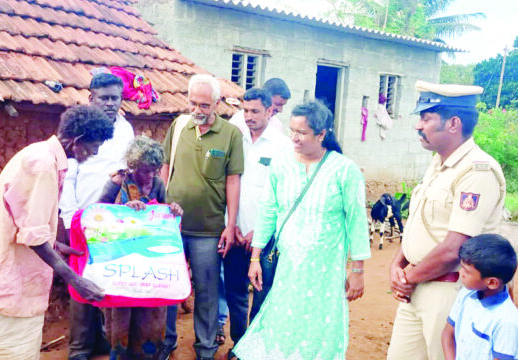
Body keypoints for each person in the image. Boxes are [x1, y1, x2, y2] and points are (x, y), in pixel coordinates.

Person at [0, 105, 114, 360]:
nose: (95, 153)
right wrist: (76, 280)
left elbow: (23, 220)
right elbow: (33, 236)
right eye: (94, 146)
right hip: (6, 282)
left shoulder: (41, 155)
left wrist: (58, 245)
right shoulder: (42, 165)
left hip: (7, 277)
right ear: (77, 141)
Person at [233, 101, 370, 360]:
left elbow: (356, 221)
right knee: (282, 322)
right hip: (288, 268)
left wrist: (358, 270)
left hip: (326, 273)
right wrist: (255, 258)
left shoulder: (344, 170)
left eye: (302, 132)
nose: (294, 138)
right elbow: (268, 212)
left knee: (320, 328)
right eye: (292, 130)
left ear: (321, 134)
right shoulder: (282, 164)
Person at [387, 81, 507, 360]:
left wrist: (407, 277)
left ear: (453, 123)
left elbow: (457, 247)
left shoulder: (478, 170)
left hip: (447, 290)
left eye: (426, 118)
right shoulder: (439, 163)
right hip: (416, 286)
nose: (418, 125)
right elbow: (420, 225)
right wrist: (397, 264)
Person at [158, 74, 244, 360]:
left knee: (207, 291)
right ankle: (166, 343)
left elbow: (233, 180)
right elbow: (165, 167)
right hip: (172, 226)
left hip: (208, 228)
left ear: (217, 103)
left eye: (204, 105)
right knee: (168, 287)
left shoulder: (230, 134)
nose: (197, 109)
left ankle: (205, 348)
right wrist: (159, 207)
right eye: (193, 103)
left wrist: (230, 225)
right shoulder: (179, 125)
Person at [59, 72, 135, 360]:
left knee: (104, 279)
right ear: (91, 97)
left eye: (115, 98)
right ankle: (79, 349)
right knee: (80, 282)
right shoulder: (81, 128)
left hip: (112, 219)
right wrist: (69, 219)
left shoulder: (126, 130)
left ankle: (101, 341)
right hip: (81, 216)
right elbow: (68, 177)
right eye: (104, 98)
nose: (110, 103)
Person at [97, 135, 183, 360]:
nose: (151, 175)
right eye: (145, 170)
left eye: (155, 170)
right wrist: (123, 209)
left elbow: (163, 212)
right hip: (122, 263)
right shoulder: (118, 182)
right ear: (133, 165)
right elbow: (97, 214)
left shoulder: (157, 183)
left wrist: (173, 209)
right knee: (122, 315)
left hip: (150, 265)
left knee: (151, 314)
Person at [223, 87, 292, 357]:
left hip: (266, 239)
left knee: (262, 295)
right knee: (234, 292)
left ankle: (254, 348)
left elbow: (284, 195)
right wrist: (232, 225)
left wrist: (260, 232)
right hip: (234, 232)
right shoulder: (235, 139)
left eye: (255, 111)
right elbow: (229, 184)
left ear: (270, 111)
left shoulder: (283, 146)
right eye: (245, 110)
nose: (248, 116)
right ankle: (239, 343)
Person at [441, 234, 518, 360]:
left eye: (466, 271)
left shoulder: (507, 322)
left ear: (492, 283)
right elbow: (447, 335)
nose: (460, 273)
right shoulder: (466, 294)